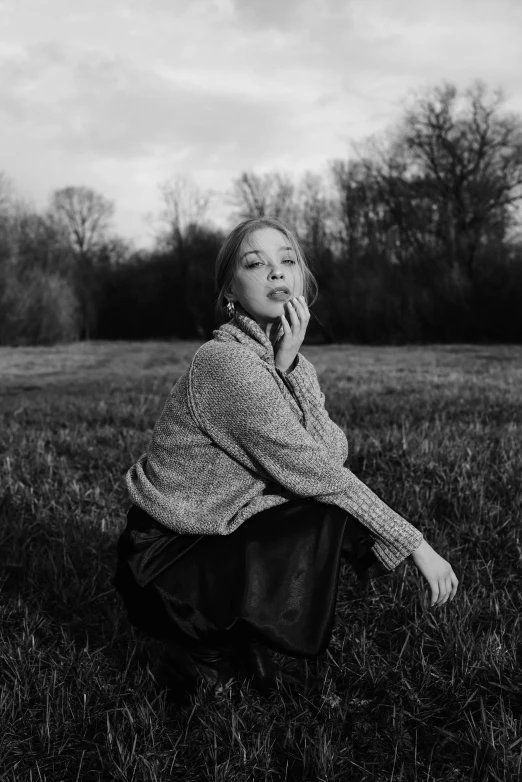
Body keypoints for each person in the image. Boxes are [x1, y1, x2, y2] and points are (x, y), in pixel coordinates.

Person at [113, 217, 459, 697]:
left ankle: (242, 632)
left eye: (288, 260)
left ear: (301, 279)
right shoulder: (226, 363)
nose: (277, 273)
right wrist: (415, 543)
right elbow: (317, 472)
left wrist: (289, 366)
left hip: (217, 531)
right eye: (256, 264)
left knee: (325, 505)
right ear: (230, 291)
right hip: (168, 557)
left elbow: (331, 452)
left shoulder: (282, 358)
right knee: (328, 505)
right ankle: (200, 646)